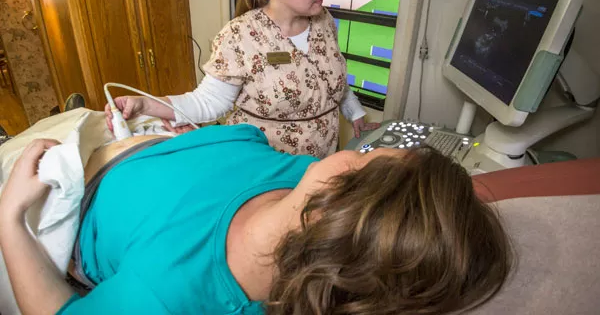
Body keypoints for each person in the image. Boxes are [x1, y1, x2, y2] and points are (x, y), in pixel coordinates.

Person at [0, 123, 512, 314]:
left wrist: (9, 217)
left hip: (74, 175)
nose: (357, 152)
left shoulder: (165, 292)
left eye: (367, 157)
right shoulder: (310, 188)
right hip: (156, 138)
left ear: (339, 201)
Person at [105, 0, 379, 159]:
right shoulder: (240, 36)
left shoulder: (324, 21)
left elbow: (331, 77)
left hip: (321, 160)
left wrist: (356, 114)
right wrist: (144, 105)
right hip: (265, 164)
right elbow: (207, 103)